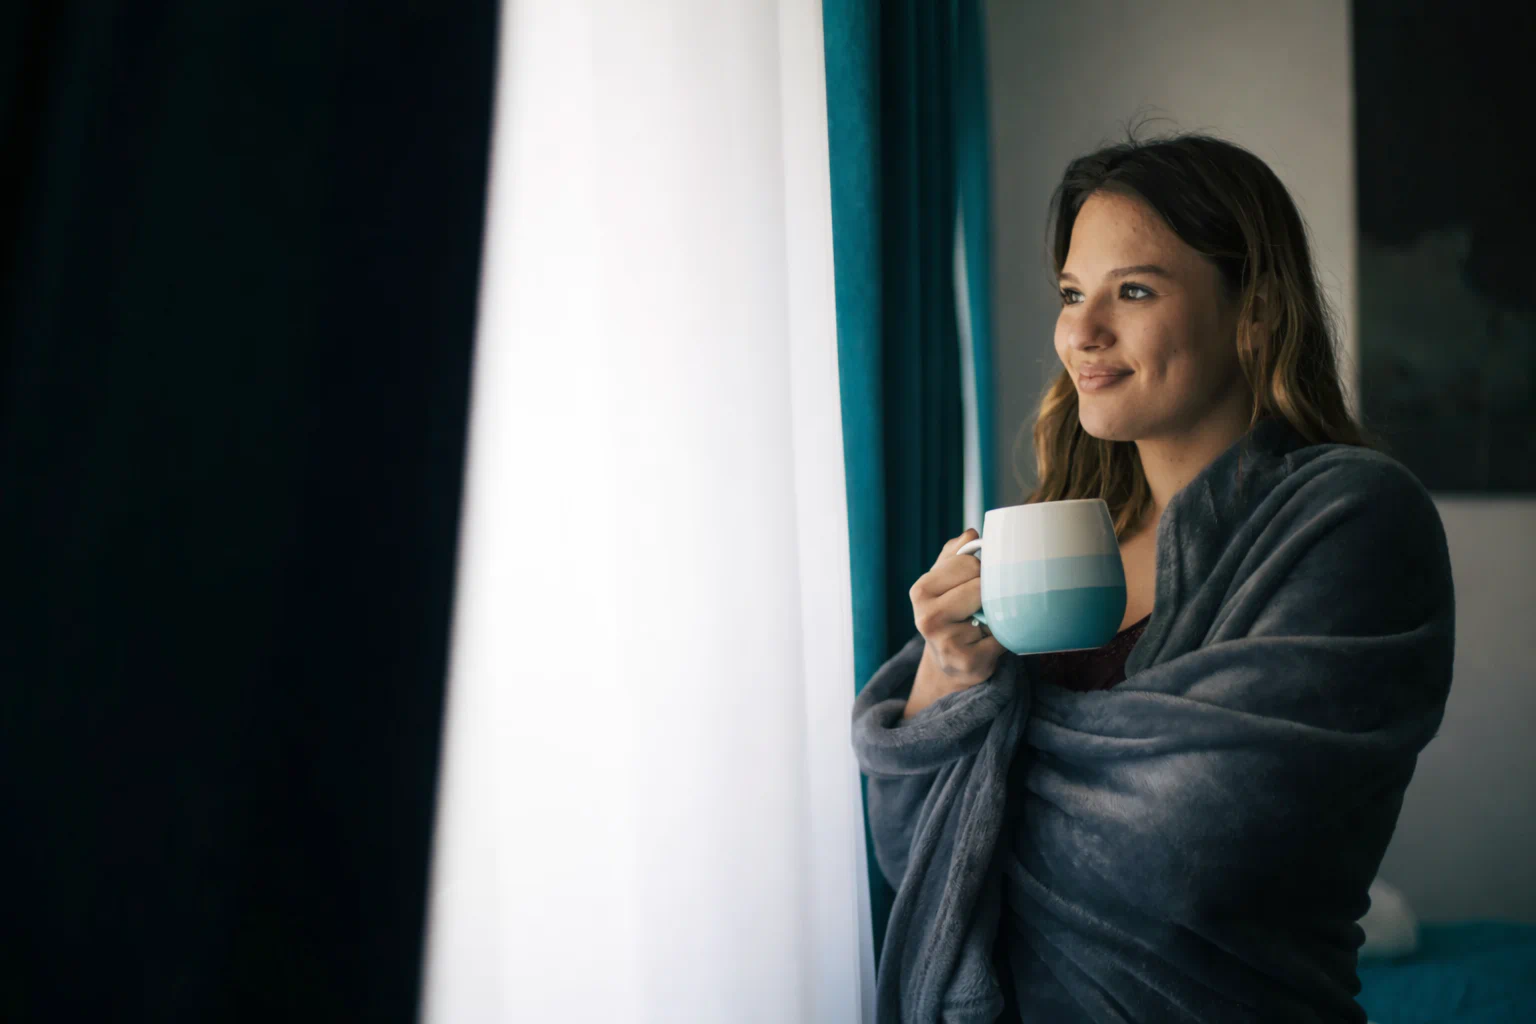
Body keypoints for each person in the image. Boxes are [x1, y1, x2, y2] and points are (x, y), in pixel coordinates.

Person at [853, 130, 1455, 1022]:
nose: (1080, 332)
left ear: (1255, 313)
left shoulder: (1351, 517)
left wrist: (995, 767)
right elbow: (914, 861)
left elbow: (1200, 850)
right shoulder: (1049, 536)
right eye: (1071, 293)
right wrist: (947, 675)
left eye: (1132, 290)